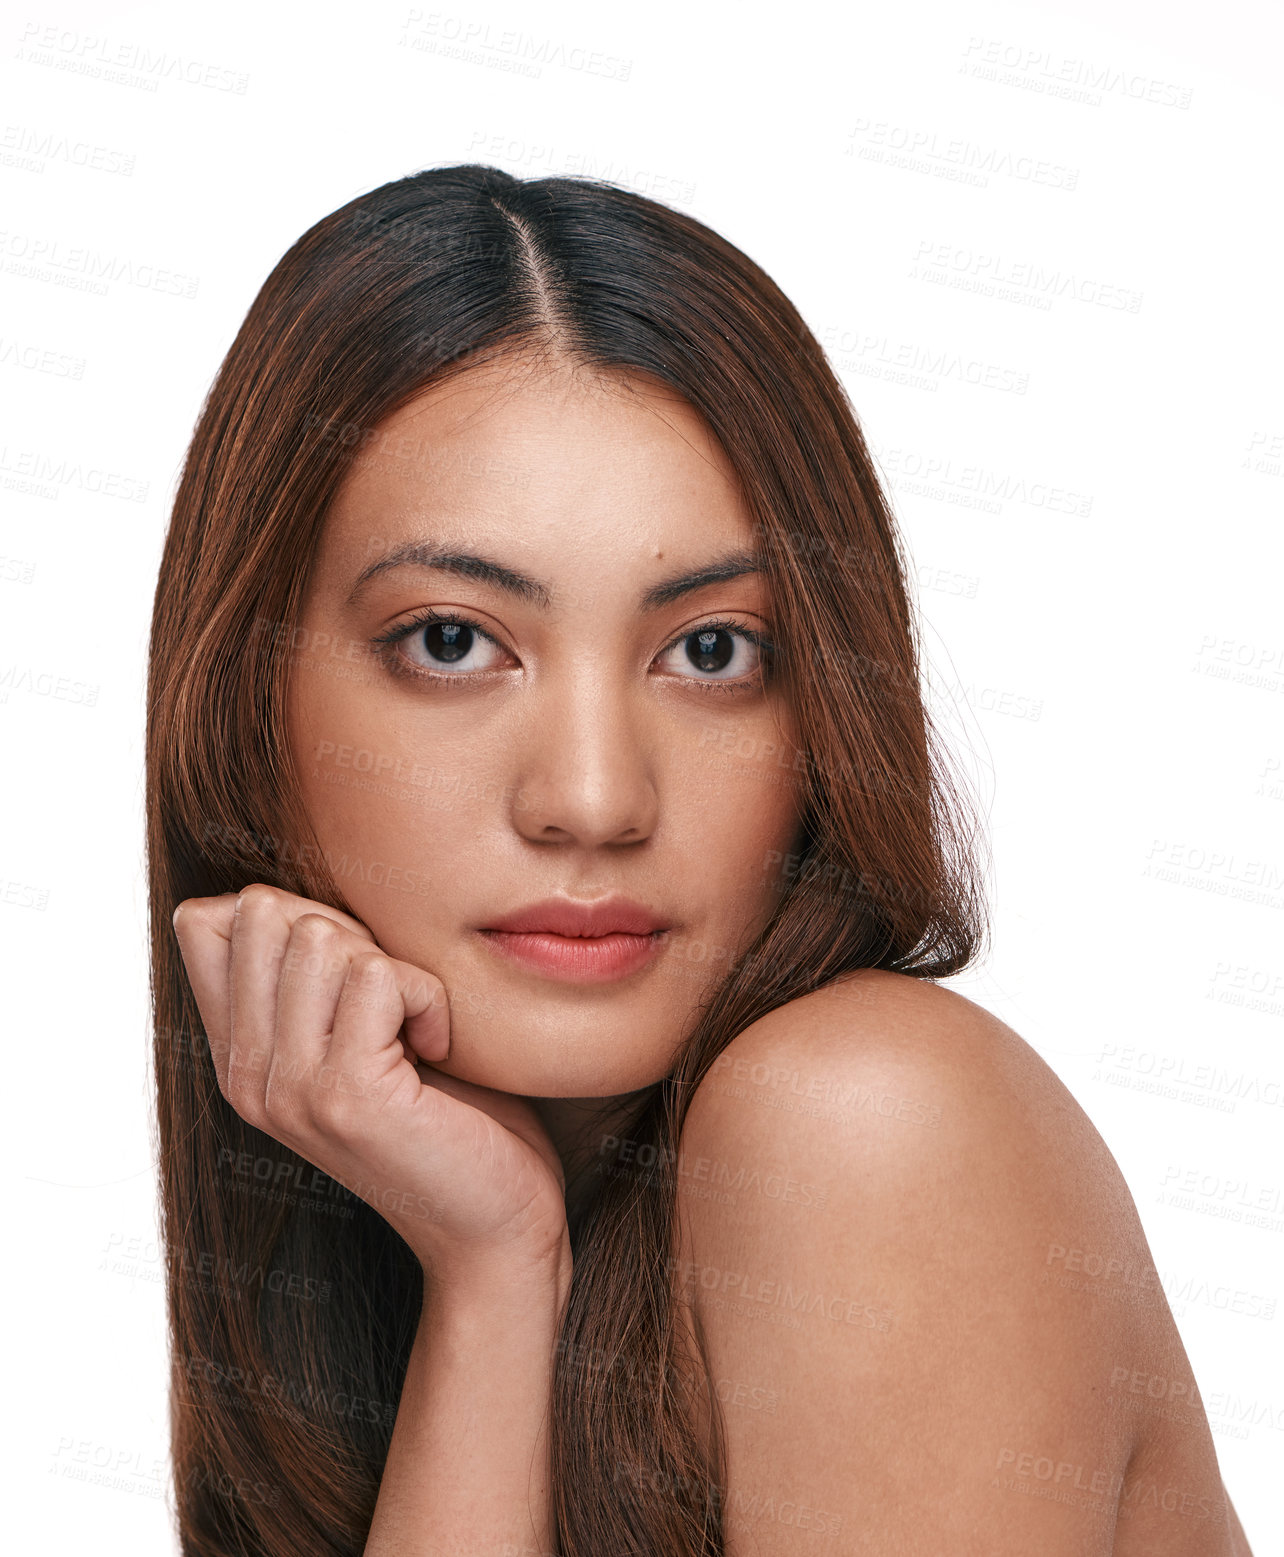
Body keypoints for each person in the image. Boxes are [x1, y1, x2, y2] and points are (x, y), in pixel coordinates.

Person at [154, 164, 1253, 1555]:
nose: (595, 798)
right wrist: (494, 1273)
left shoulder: (865, 1124)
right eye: (453, 641)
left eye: (711, 651)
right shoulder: (429, 1248)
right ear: (248, 710)